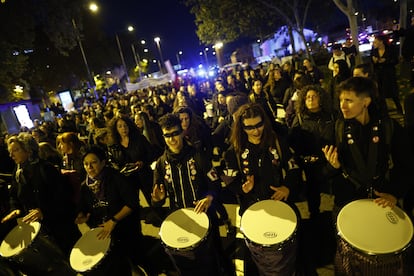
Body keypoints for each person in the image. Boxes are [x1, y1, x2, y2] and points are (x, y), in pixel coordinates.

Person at [322, 77, 414, 275]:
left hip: (381, 201)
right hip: (347, 204)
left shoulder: (389, 128)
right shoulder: (336, 129)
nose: (342, 106)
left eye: (349, 100)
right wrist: (333, 167)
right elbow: (324, 174)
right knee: (350, 261)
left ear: (366, 101)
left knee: (383, 257)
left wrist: (394, 193)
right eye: (341, 100)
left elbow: (406, 166)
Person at [223, 103, 302, 275]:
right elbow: (229, 179)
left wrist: (287, 187)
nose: (256, 131)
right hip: (252, 208)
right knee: (259, 256)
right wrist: (242, 188)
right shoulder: (234, 151)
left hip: (279, 204)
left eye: (259, 125)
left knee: (285, 253)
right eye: (249, 127)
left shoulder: (277, 142)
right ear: (241, 127)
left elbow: (294, 167)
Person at [151, 113, 233, 276]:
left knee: (214, 258)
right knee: (189, 263)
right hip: (180, 218)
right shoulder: (161, 164)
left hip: (205, 215)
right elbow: (157, 198)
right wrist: (157, 200)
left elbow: (215, 183)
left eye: (175, 133)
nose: (172, 139)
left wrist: (209, 198)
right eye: (167, 135)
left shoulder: (198, 156)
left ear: (182, 132)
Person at [1, 133, 80, 257]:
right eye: (10, 151)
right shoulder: (18, 174)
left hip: (61, 228)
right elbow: (14, 196)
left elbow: (63, 197)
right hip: (41, 231)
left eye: (16, 150)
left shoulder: (46, 169)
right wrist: (15, 208)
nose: (11, 155)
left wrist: (43, 211)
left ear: (28, 150)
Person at [75, 145, 142, 276]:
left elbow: (132, 203)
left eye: (93, 162)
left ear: (103, 162)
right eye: (86, 164)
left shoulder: (116, 178)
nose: (89, 167)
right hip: (103, 233)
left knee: (134, 261)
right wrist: (82, 216)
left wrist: (114, 220)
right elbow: (84, 208)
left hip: (124, 228)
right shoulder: (84, 187)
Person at [371, 35, 403, 113]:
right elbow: (371, 63)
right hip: (379, 74)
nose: (374, 43)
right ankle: (384, 111)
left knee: (393, 92)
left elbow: (395, 60)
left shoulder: (390, 49)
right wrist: (374, 61)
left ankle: (400, 109)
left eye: (375, 41)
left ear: (381, 42)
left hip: (389, 73)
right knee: (381, 93)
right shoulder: (374, 51)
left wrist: (386, 61)